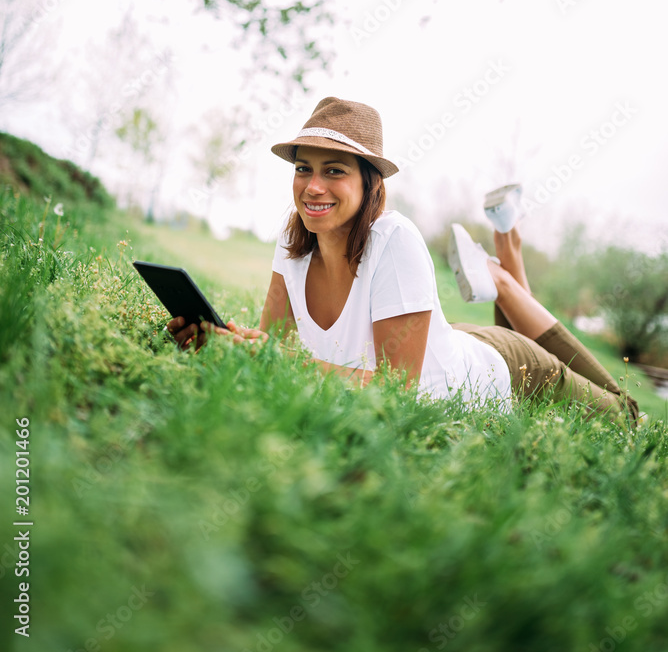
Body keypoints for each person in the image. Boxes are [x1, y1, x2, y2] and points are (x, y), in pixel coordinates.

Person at [167, 97, 639, 427]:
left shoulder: (394, 240)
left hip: (506, 367)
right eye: (303, 168)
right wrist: (229, 345)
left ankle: (502, 272)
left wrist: (269, 358)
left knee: (627, 415)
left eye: (334, 170)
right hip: (442, 342)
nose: (313, 186)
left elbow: (397, 391)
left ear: (370, 182)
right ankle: (501, 263)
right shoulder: (293, 242)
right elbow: (277, 352)